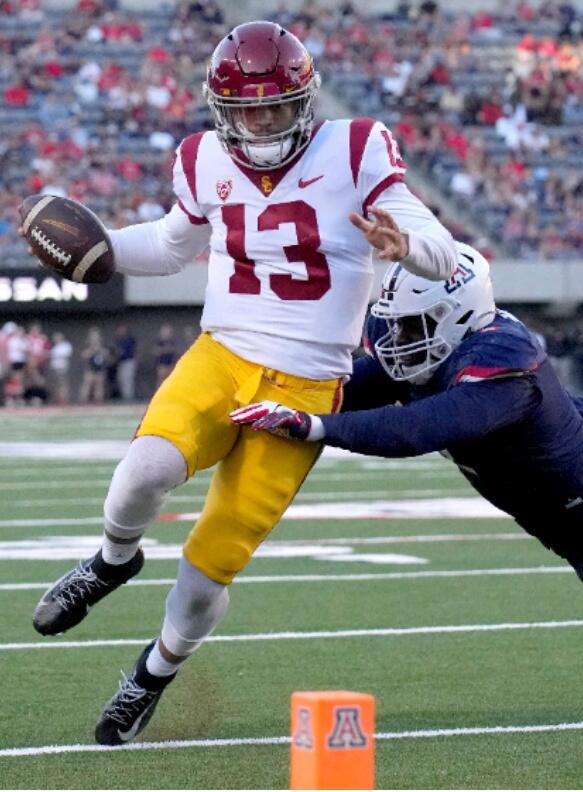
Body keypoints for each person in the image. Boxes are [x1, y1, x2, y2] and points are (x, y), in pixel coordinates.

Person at [25, 21, 456, 747]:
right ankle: (111, 561)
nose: (259, 122)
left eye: (275, 107)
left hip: (307, 384)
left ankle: (151, 674)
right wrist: (99, 247)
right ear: (222, 108)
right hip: (222, 352)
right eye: (246, 109)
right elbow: (167, 247)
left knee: (206, 570)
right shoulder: (201, 158)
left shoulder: (355, 149)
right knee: (139, 476)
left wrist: (405, 244)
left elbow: (442, 254)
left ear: (305, 101)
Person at [231, 244, 583, 582]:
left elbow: (416, 428)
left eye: (412, 324)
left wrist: (315, 427)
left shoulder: (502, 360)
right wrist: (274, 393)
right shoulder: (431, 357)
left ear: (459, 315)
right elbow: (341, 391)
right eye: (398, 323)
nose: (399, 336)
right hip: (555, 515)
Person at [79, 327, 108, 405]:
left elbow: (106, 354)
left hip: (99, 367)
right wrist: (92, 351)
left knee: (99, 386)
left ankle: (98, 402)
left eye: (96, 335)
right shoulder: (87, 344)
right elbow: (83, 355)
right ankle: (83, 402)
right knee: (87, 385)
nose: (95, 337)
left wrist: (100, 350)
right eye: (93, 335)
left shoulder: (102, 344)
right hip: (90, 368)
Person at [113, 323, 138, 402]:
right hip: (121, 362)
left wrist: (136, 361)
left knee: (128, 379)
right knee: (121, 379)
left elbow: (135, 351)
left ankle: (129, 398)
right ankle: (125, 397)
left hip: (129, 361)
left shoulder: (130, 339)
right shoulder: (118, 340)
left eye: (122, 329)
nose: (121, 331)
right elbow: (117, 352)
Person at [47, 331, 73, 406]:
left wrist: (56, 355)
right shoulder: (55, 346)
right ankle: (58, 399)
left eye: (57, 337)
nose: (55, 339)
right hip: (55, 367)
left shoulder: (65, 345)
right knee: (56, 384)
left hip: (62, 367)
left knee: (63, 383)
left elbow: (66, 355)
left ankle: (64, 399)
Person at [154, 323, 178, 388]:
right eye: (165, 331)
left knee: (170, 380)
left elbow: (173, 351)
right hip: (162, 363)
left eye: (169, 331)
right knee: (161, 379)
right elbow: (157, 351)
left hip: (170, 363)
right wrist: (165, 350)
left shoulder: (172, 341)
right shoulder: (159, 341)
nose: (167, 333)